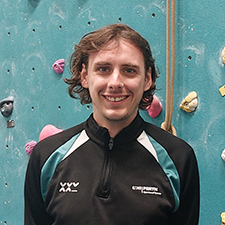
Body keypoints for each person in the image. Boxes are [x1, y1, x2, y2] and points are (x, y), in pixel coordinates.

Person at [24, 23, 200, 225]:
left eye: (129, 70)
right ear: (85, 76)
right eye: (103, 69)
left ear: (147, 79)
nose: (115, 82)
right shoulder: (46, 157)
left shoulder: (178, 158)